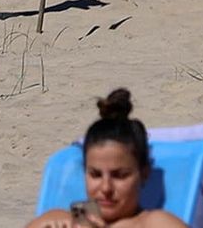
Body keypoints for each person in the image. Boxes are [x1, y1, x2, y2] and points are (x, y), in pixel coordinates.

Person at [26, 90, 188, 228]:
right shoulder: (59, 220)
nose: (106, 188)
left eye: (119, 175)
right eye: (95, 174)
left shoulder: (154, 223)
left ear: (144, 174)